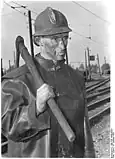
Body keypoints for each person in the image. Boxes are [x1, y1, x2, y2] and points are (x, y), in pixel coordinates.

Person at [1, 7, 95, 157]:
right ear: (38, 41)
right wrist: (35, 109)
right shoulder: (17, 82)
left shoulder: (76, 79)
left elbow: (85, 128)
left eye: (65, 37)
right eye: (55, 39)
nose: (63, 45)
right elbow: (6, 129)